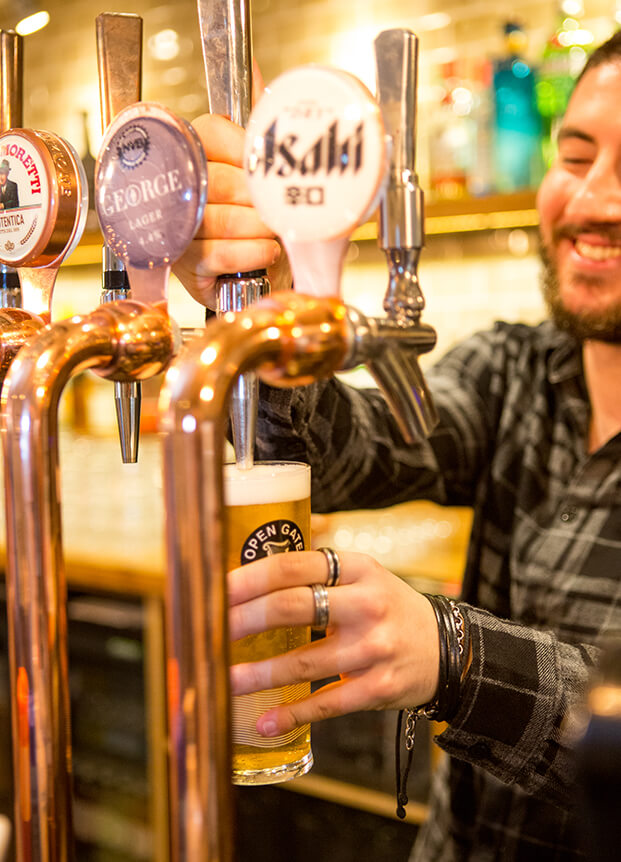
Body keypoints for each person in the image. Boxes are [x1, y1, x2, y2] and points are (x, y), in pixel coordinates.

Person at [174, 31, 621, 862]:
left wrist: (455, 654)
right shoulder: (512, 371)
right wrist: (275, 307)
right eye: (575, 156)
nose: (592, 201)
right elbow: (351, 452)